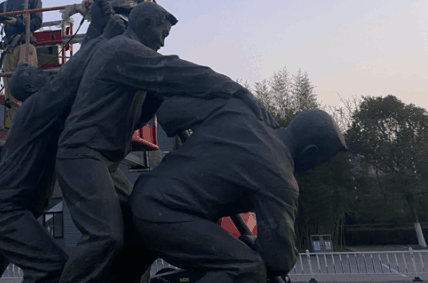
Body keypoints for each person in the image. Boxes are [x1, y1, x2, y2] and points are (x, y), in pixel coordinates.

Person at [55, 2, 268, 283]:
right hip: (82, 154)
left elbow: (137, 112)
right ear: (146, 25)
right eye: (162, 34)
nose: (163, 42)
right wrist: (235, 89)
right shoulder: (122, 50)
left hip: (105, 162)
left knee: (141, 227)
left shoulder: (130, 60)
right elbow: (172, 70)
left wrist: (158, 99)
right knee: (104, 235)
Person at [0, 0, 124, 283]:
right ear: (30, 87)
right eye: (41, 73)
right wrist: (102, 35)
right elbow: (69, 79)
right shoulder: (36, 107)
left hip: (3, 210)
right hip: (6, 211)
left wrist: (96, 29)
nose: (48, 74)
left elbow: (72, 78)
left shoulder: (42, 111)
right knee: (51, 268)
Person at [129, 104, 347, 283]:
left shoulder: (244, 118)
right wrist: (256, 244)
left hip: (145, 193)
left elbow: (174, 112)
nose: (316, 168)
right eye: (321, 162)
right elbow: (278, 258)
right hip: (165, 212)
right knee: (246, 268)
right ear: (311, 153)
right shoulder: (279, 175)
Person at [0, 0, 43, 123]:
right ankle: (15, 125)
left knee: (26, 86)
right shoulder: (4, 5)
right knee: (10, 93)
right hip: (8, 50)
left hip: (25, 46)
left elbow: (37, 23)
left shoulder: (33, 0)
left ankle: (31, 124)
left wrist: (18, 22)